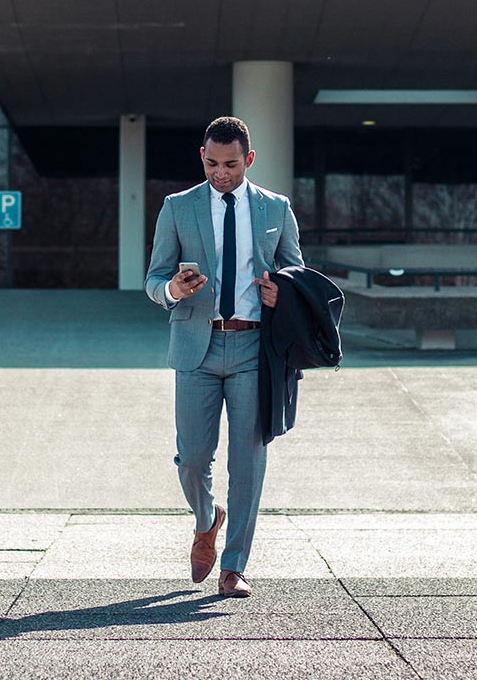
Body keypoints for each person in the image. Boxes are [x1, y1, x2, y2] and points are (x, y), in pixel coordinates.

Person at [145, 116, 303, 597]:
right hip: (197, 345)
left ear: (248, 160)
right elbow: (153, 281)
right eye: (212, 163)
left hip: (255, 348)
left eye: (231, 164)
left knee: (248, 461)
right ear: (202, 157)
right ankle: (206, 516)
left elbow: (297, 272)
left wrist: (284, 294)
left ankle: (234, 566)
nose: (221, 173)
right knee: (192, 459)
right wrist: (171, 288)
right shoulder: (177, 208)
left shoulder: (276, 208)